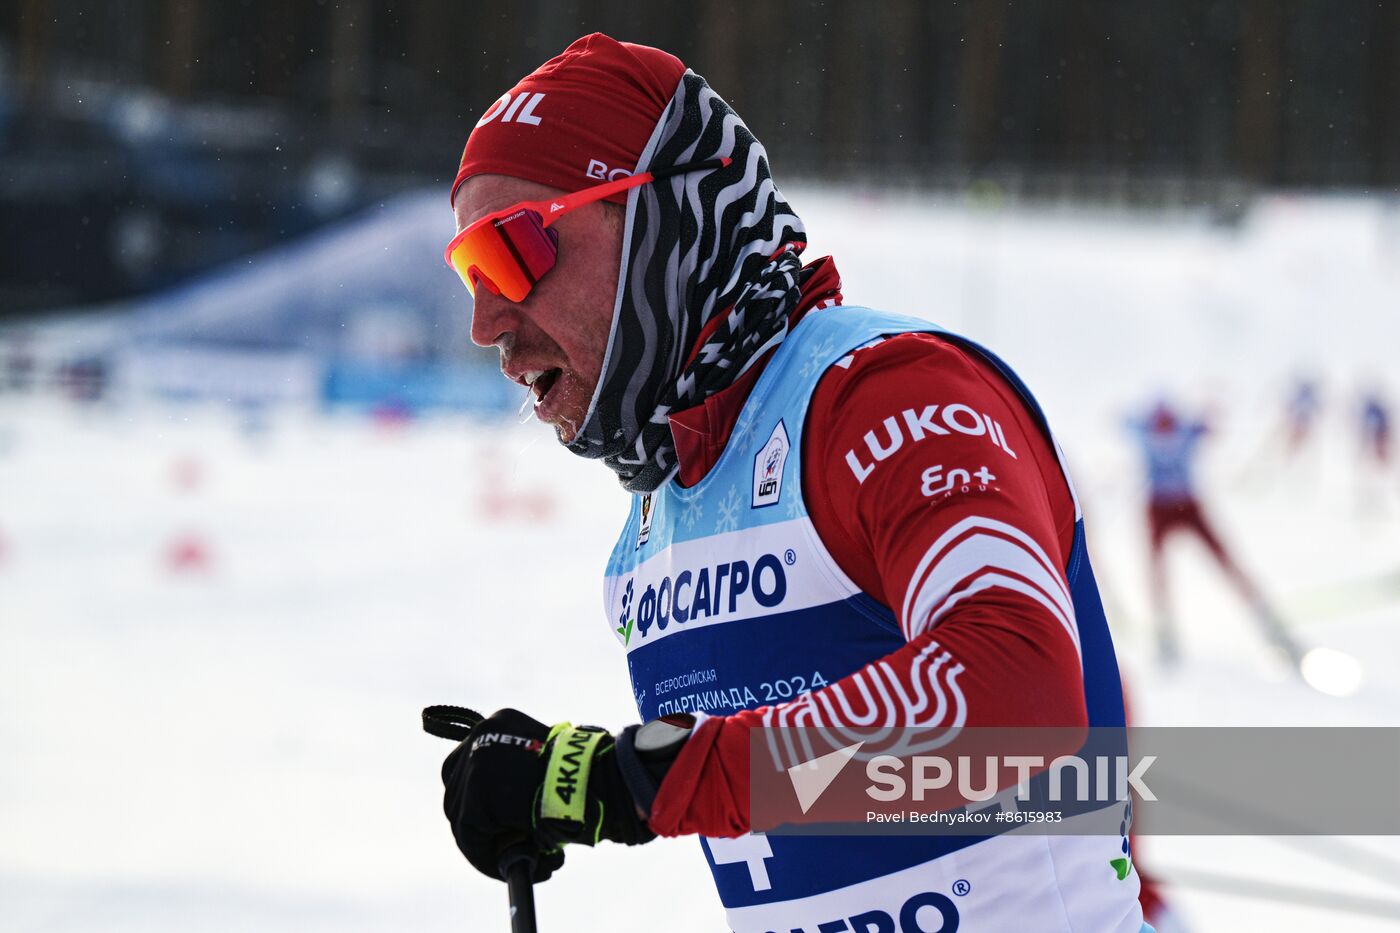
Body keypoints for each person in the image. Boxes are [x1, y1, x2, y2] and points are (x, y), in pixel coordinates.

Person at [438, 34, 1148, 932]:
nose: (484, 323)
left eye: (512, 254)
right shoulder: (648, 537)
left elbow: (1018, 695)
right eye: (468, 273)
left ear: (663, 220)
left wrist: (640, 777)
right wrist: (577, 779)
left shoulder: (884, 396)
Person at [1127, 400, 1298, 669]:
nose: (1165, 442)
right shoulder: (1144, 433)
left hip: (1189, 507)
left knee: (1228, 564)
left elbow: (1209, 428)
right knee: (1157, 572)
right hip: (1158, 509)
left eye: (1168, 434)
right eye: (1160, 435)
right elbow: (1123, 420)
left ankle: (1269, 623)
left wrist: (1209, 419)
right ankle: (1164, 633)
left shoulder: (1183, 432)